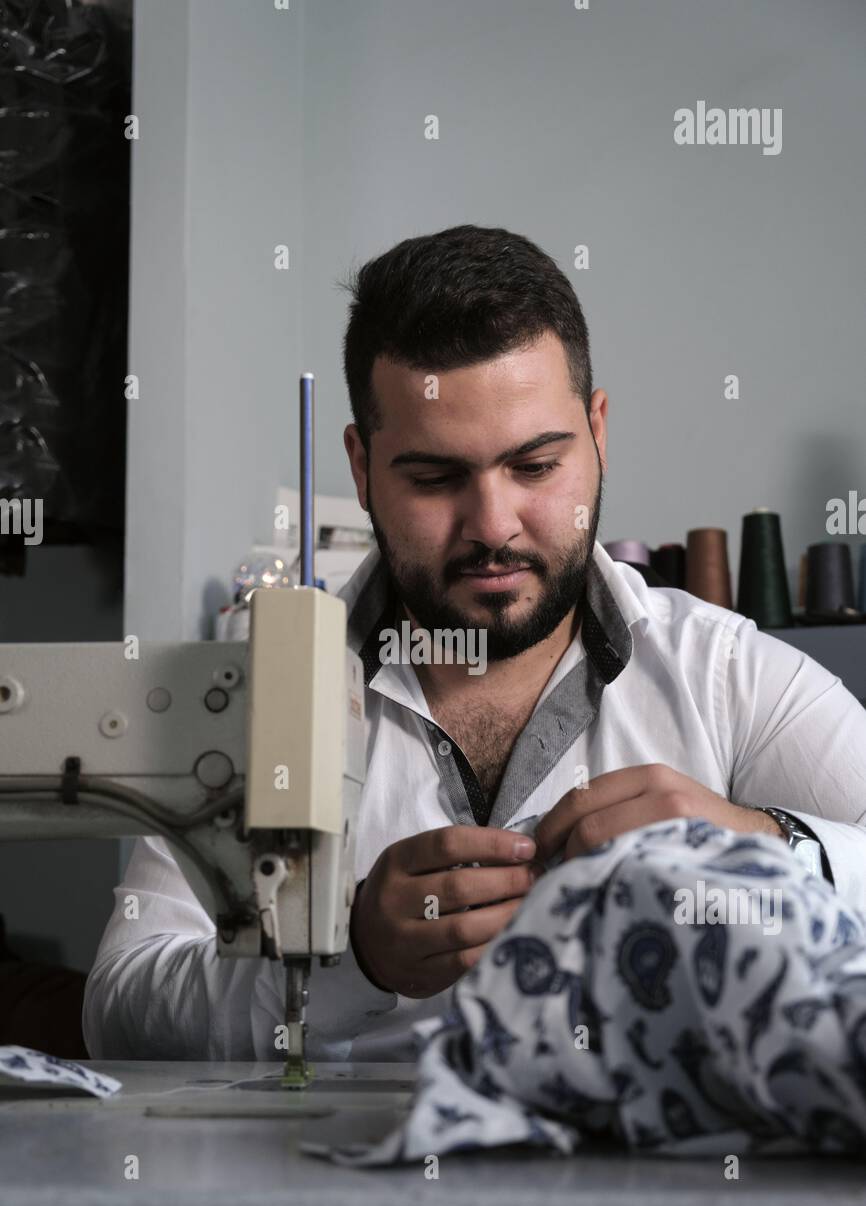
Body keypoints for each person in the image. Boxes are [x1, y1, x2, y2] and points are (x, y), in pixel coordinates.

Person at [83, 224, 866, 1062]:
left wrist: (763, 848)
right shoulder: (261, 703)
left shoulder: (727, 678)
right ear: (362, 466)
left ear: (597, 434)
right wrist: (352, 961)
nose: (493, 526)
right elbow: (121, 1006)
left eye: (535, 467)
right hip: (336, 1181)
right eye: (434, 478)